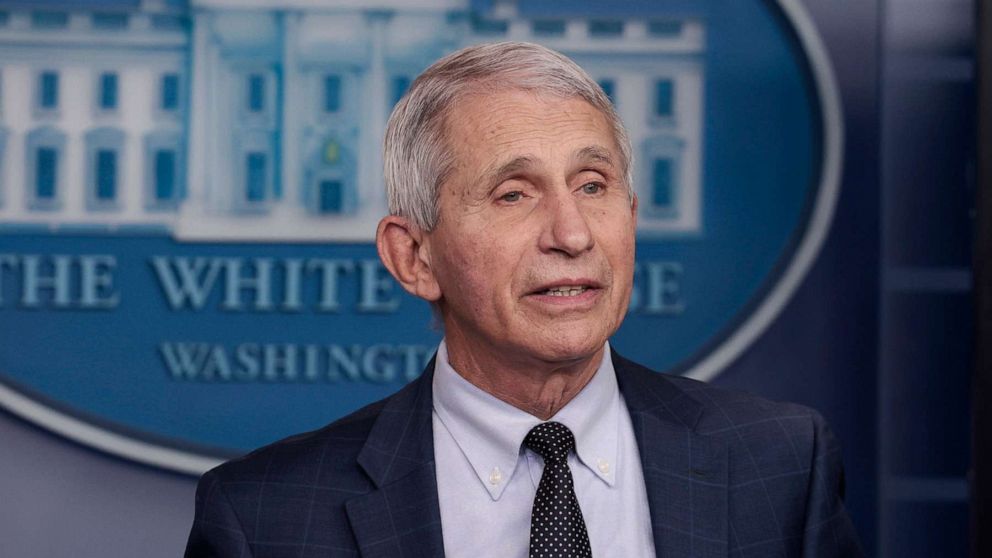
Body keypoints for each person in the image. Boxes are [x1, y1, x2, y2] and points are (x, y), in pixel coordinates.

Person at [185, 42, 863, 558]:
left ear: (630, 215)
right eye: (514, 193)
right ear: (414, 256)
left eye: (592, 186)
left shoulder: (780, 465)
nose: (571, 235)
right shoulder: (264, 520)